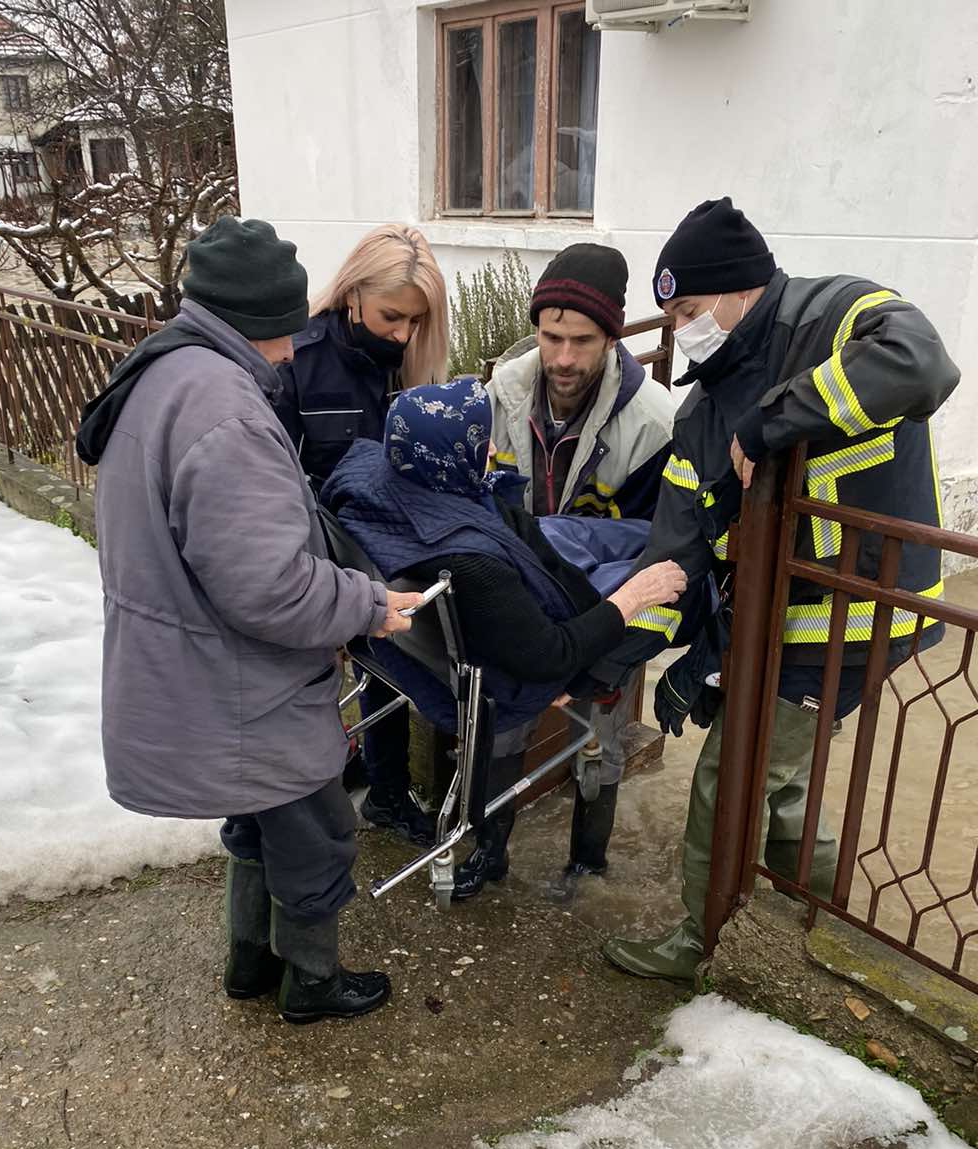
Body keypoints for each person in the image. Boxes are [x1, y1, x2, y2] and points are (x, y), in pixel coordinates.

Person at [587, 197, 959, 982]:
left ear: (738, 291)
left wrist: (771, 421)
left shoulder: (837, 313)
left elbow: (924, 363)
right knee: (784, 775)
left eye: (689, 307)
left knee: (736, 773)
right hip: (773, 625)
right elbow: (676, 560)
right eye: (670, 312)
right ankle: (816, 916)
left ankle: (705, 940)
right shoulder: (700, 410)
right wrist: (607, 657)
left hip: (858, 620)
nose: (682, 326)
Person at [76, 216, 424, 1024]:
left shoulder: (165, 372)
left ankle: (248, 965)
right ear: (256, 322)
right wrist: (370, 606)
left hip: (196, 666)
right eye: (282, 332)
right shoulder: (224, 409)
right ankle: (309, 982)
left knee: (257, 823)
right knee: (313, 830)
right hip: (243, 684)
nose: (291, 350)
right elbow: (269, 588)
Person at [322, 377, 686, 897]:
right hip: (502, 667)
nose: (492, 449)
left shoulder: (371, 475)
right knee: (655, 581)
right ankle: (540, 855)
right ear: (449, 458)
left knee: (618, 541)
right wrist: (629, 602)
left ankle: (503, 850)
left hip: (415, 639)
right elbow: (547, 655)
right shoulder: (474, 564)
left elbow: (532, 545)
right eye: (480, 442)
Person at [486, 243, 678, 898]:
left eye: (582, 341)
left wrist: (607, 642)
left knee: (600, 737)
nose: (563, 358)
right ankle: (488, 855)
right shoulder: (502, 396)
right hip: (522, 604)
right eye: (550, 337)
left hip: (610, 608)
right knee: (502, 724)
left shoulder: (655, 426)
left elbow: (658, 547)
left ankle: (587, 865)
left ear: (611, 335)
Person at [276, 225, 449, 848]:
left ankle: (384, 786)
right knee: (323, 676)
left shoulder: (407, 364)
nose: (403, 333)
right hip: (319, 551)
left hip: (389, 545)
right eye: (392, 316)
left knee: (392, 668)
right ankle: (344, 783)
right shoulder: (299, 359)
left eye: (415, 321)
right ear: (352, 295)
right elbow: (275, 480)